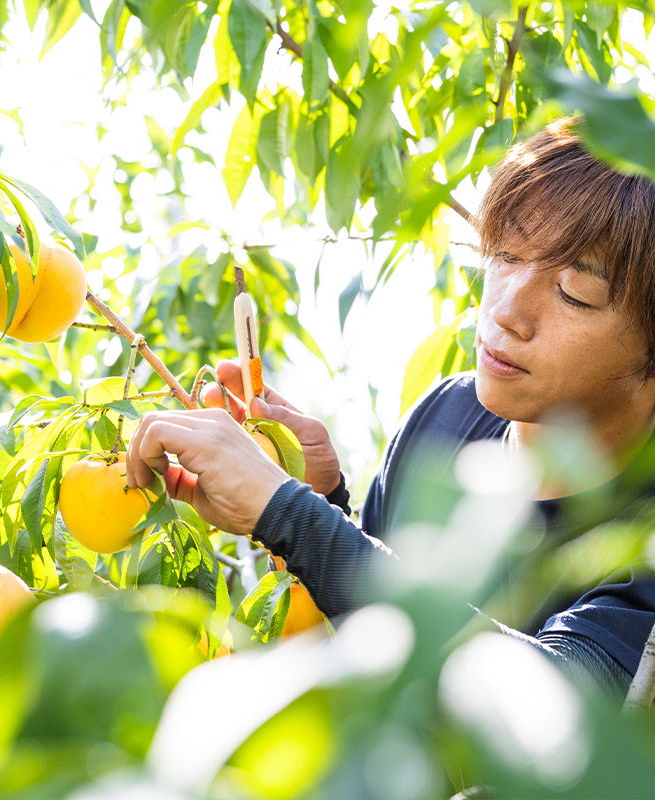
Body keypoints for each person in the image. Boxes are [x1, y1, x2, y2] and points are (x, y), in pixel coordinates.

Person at [125, 117, 655, 703]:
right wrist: (323, 501)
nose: (505, 311)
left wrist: (288, 512)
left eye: (573, 293)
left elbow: (561, 706)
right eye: (504, 253)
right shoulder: (444, 417)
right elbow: (379, 638)